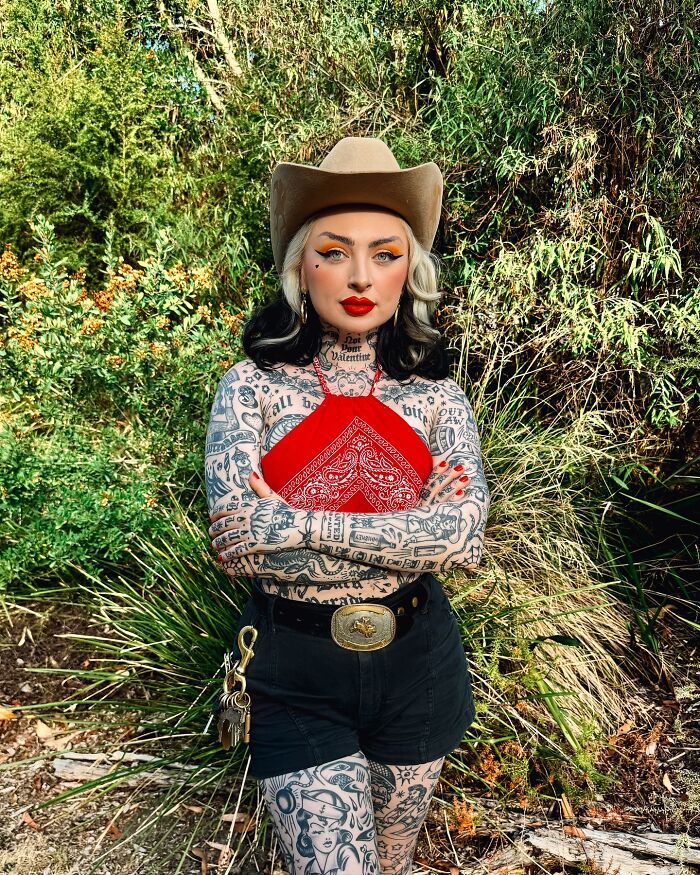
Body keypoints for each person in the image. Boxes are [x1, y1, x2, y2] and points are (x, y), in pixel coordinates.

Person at [205, 137, 489, 875]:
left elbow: (461, 538)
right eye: (335, 250)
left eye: (385, 253)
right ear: (302, 263)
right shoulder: (252, 386)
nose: (361, 275)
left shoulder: (437, 398)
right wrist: (409, 529)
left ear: (411, 271)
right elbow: (237, 543)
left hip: (418, 666)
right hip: (293, 668)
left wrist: (295, 521)